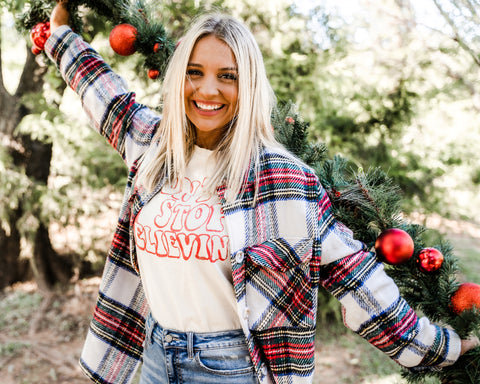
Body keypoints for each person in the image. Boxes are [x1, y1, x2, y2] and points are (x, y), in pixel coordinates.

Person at [46, 1, 478, 384]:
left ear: (248, 85)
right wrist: (61, 35)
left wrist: (443, 348)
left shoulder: (284, 180)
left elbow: (357, 278)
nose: (207, 90)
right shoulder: (153, 144)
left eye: (227, 76)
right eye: (194, 73)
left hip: (232, 368)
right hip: (156, 356)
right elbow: (103, 93)